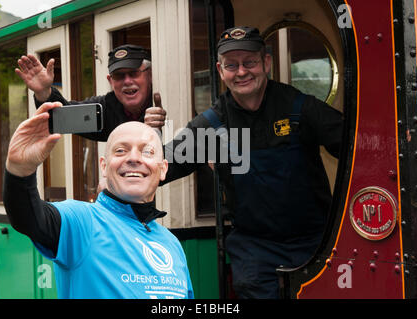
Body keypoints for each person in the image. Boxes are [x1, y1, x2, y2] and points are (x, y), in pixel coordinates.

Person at [145, 26, 343, 298]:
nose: (241, 72)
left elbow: (358, 149)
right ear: (220, 69)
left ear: (266, 62)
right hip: (255, 252)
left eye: (249, 62)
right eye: (232, 65)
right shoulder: (211, 125)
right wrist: (145, 137)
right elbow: (157, 168)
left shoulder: (300, 108)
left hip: (317, 244)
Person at [2, 102, 194, 299]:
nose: (134, 158)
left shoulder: (172, 244)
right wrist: (20, 170)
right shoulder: (82, 222)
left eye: (147, 152)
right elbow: (28, 217)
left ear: (163, 169)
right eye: (121, 150)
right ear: (104, 166)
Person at [15, 44, 167, 141]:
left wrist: (160, 128)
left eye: (134, 73)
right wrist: (43, 92)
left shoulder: (171, 98)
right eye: (119, 76)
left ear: (150, 74)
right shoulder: (104, 108)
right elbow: (61, 118)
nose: (127, 81)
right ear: (110, 81)